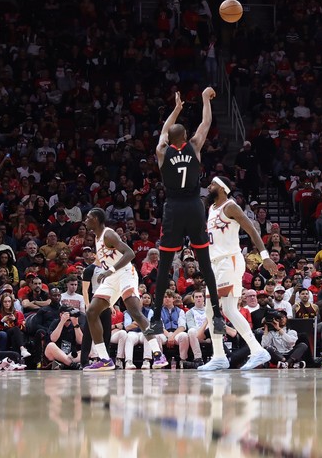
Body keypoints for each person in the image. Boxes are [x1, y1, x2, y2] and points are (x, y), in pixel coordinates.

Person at [148, 89, 226, 338]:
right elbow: (206, 122)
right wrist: (204, 99)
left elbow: (163, 131)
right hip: (194, 207)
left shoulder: (162, 151)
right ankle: (218, 318)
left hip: (173, 208)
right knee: (205, 263)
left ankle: (157, 319)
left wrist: (176, 109)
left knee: (164, 266)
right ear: (186, 137)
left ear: (171, 141)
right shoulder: (195, 145)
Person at [197, 176, 278, 371]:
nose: (210, 187)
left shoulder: (231, 206)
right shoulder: (211, 209)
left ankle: (257, 351)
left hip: (229, 261)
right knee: (211, 310)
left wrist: (265, 256)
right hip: (215, 263)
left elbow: (252, 231)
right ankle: (218, 356)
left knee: (228, 309)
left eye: (213, 184)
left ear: (223, 188)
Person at [83, 207, 150, 371]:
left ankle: (156, 352)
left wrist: (110, 271)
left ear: (97, 220)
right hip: (112, 278)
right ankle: (105, 359)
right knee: (91, 312)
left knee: (135, 312)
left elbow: (130, 253)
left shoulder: (108, 234)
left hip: (125, 273)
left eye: (88, 217)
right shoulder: (97, 239)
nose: (85, 220)